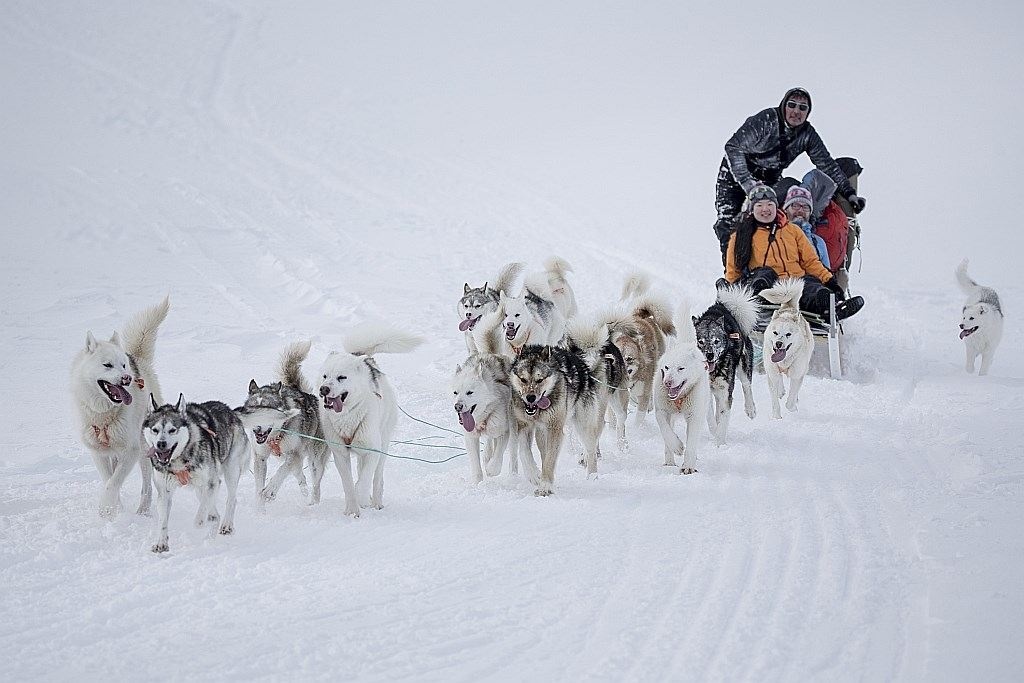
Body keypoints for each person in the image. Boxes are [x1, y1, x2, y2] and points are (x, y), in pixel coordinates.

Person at [712, 87, 867, 260]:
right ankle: (731, 271)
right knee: (729, 223)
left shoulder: (807, 134)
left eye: (802, 107)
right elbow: (733, 147)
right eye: (792, 105)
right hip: (734, 175)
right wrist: (749, 184)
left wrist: (849, 193)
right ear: (784, 105)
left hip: (769, 179)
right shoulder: (766, 120)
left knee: (766, 219)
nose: (796, 111)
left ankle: (764, 266)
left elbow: (827, 165)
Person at [723, 185, 864, 321]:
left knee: (813, 287)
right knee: (764, 273)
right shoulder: (741, 235)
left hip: (795, 284)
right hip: (769, 286)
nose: (765, 209)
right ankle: (759, 301)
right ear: (752, 209)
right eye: (759, 205)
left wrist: (829, 281)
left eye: (770, 205)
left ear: (776, 207)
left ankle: (831, 308)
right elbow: (733, 269)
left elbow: (810, 262)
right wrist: (730, 293)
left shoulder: (792, 230)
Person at [782, 185, 830, 270]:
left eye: (805, 207)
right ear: (786, 209)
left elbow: (826, 272)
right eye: (795, 205)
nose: (800, 210)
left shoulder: (818, 242)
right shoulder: (776, 237)